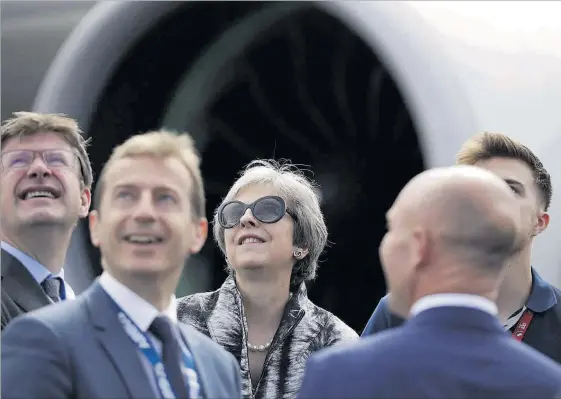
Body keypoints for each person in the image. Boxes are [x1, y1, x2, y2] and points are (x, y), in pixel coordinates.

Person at [2, 130, 242, 399]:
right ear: (95, 226)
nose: (144, 213)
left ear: (198, 233)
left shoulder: (221, 368)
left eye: (165, 198)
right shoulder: (43, 341)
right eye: (126, 196)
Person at [297, 166, 561, 399]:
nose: (384, 245)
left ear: (419, 247)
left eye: (392, 229)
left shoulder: (337, 375)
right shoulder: (549, 385)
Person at [362, 132, 561, 363]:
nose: (490, 201)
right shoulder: (396, 313)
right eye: (478, 190)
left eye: (510, 189)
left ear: (539, 222)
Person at [177, 160, 358, 399]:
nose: (246, 219)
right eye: (233, 212)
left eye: (269, 209)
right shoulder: (176, 323)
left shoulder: (338, 342)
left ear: (301, 244)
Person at [1, 112, 93, 329]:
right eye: (18, 161)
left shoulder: (84, 312)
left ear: (84, 200)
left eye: (56, 159)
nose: (39, 169)